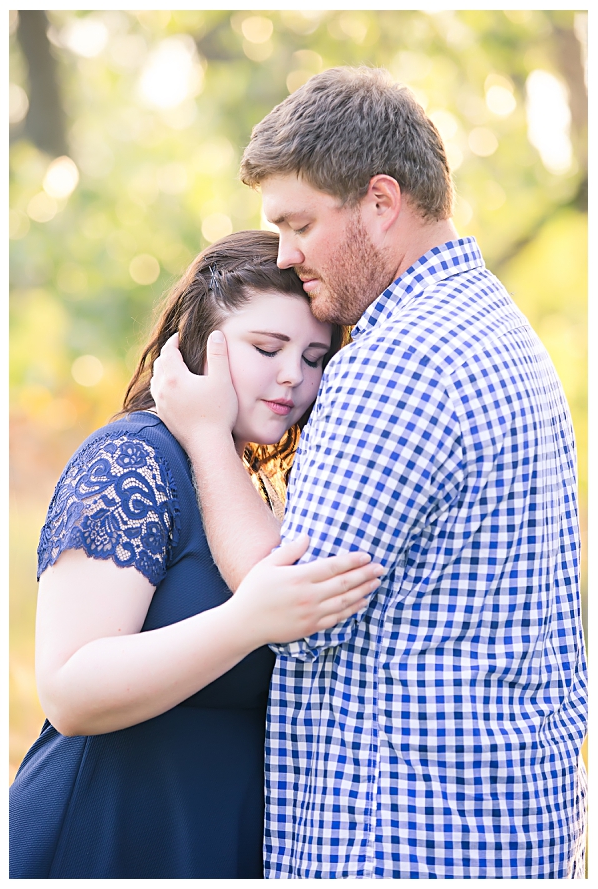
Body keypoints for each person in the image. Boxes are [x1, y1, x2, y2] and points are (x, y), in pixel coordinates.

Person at [151, 66, 587, 878]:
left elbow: (291, 600)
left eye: (297, 223)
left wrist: (206, 435)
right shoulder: (497, 326)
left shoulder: (400, 359)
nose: (284, 255)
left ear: (380, 203)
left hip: (405, 838)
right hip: (505, 824)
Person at [8, 229, 385, 879]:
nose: (293, 375)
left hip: (214, 843)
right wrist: (246, 620)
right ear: (197, 346)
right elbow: (68, 688)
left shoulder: (248, 489)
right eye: (266, 347)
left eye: (316, 356)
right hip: (106, 835)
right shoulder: (132, 459)